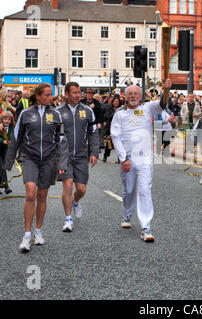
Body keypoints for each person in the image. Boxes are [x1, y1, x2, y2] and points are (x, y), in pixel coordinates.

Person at [5, 83, 68, 253]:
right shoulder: (26, 113)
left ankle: (38, 232)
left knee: (41, 196)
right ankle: (26, 235)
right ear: (38, 96)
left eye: (50, 95)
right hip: (30, 158)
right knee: (30, 194)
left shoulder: (56, 115)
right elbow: (16, 138)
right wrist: (9, 161)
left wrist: (62, 163)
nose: (50, 98)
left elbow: (61, 140)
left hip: (48, 160)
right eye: (47, 95)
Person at [110, 79, 172, 242]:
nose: (133, 96)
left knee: (144, 190)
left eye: (135, 94)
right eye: (130, 93)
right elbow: (115, 137)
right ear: (124, 96)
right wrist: (123, 159)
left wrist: (165, 90)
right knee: (129, 190)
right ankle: (127, 215)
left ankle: (146, 228)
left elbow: (163, 104)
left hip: (145, 158)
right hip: (128, 158)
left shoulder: (148, 108)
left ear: (141, 96)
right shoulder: (119, 114)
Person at [57, 82, 100, 232]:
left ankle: (76, 201)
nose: (78, 95)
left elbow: (94, 133)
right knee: (67, 186)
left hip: (81, 155)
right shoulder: (57, 112)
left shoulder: (87, 111)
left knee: (81, 189)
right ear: (67, 94)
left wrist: (94, 153)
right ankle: (68, 219)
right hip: (65, 156)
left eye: (79, 92)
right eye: (74, 93)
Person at [103, 96, 122, 163]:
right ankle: (105, 156)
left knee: (119, 143)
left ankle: (120, 157)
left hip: (119, 128)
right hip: (110, 127)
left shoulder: (121, 109)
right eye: (115, 101)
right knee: (109, 143)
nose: (116, 103)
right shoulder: (109, 108)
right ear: (113, 102)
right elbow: (107, 116)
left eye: (117, 101)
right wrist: (115, 114)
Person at [0, 111, 15, 194]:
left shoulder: (12, 127)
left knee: (2, 168)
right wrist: (3, 141)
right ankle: (6, 186)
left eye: (9, 119)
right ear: (2, 119)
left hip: (5, 150)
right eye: (5, 119)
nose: (7, 121)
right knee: (2, 167)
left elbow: (14, 137)